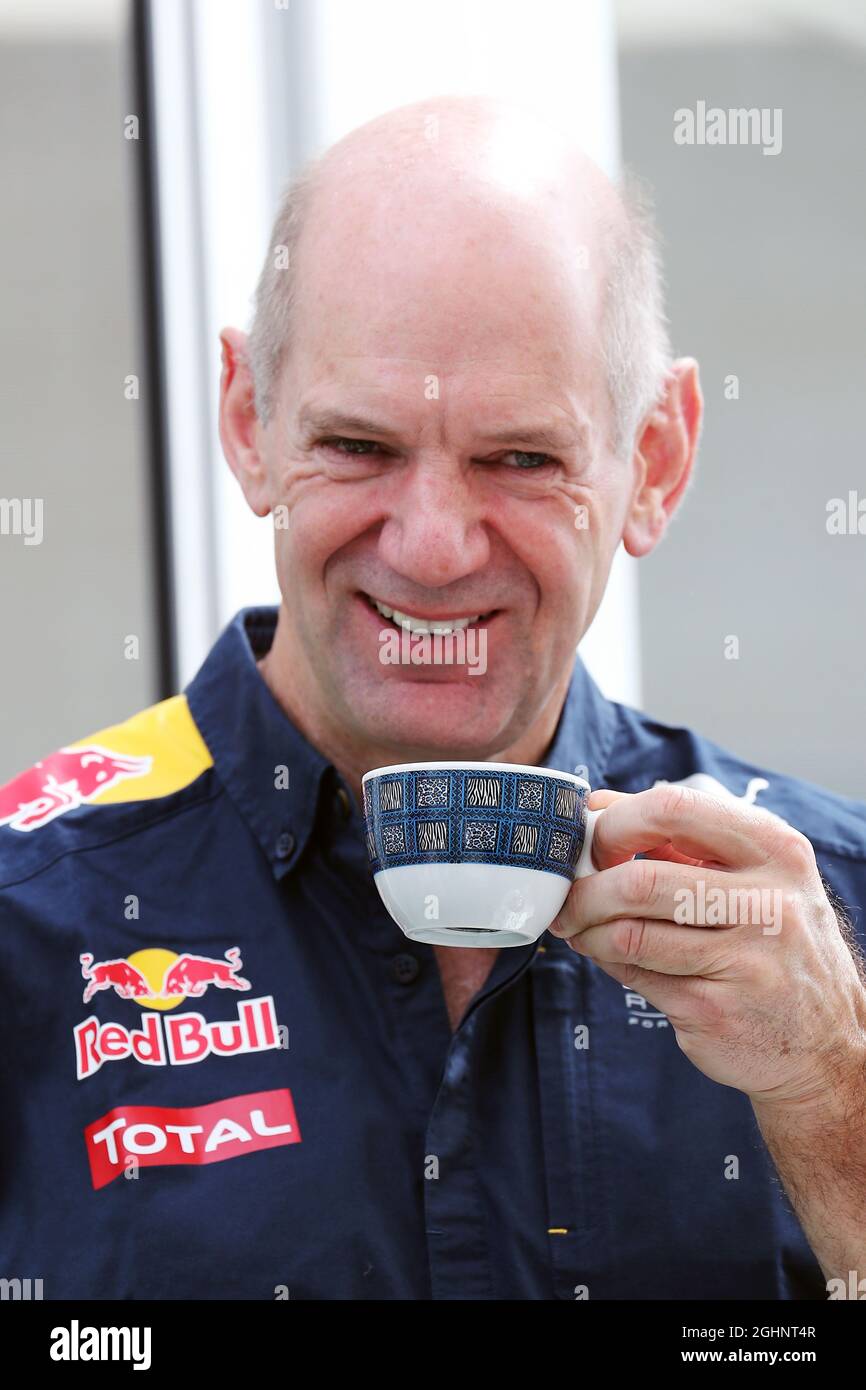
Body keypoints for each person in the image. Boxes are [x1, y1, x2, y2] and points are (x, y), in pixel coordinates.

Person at [1, 95, 864, 1302]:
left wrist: (835, 1102)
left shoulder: (830, 925)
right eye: (356, 446)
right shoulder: (27, 919)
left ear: (653, 459)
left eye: (519, 459)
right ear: (248, 419)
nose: (435, 547)